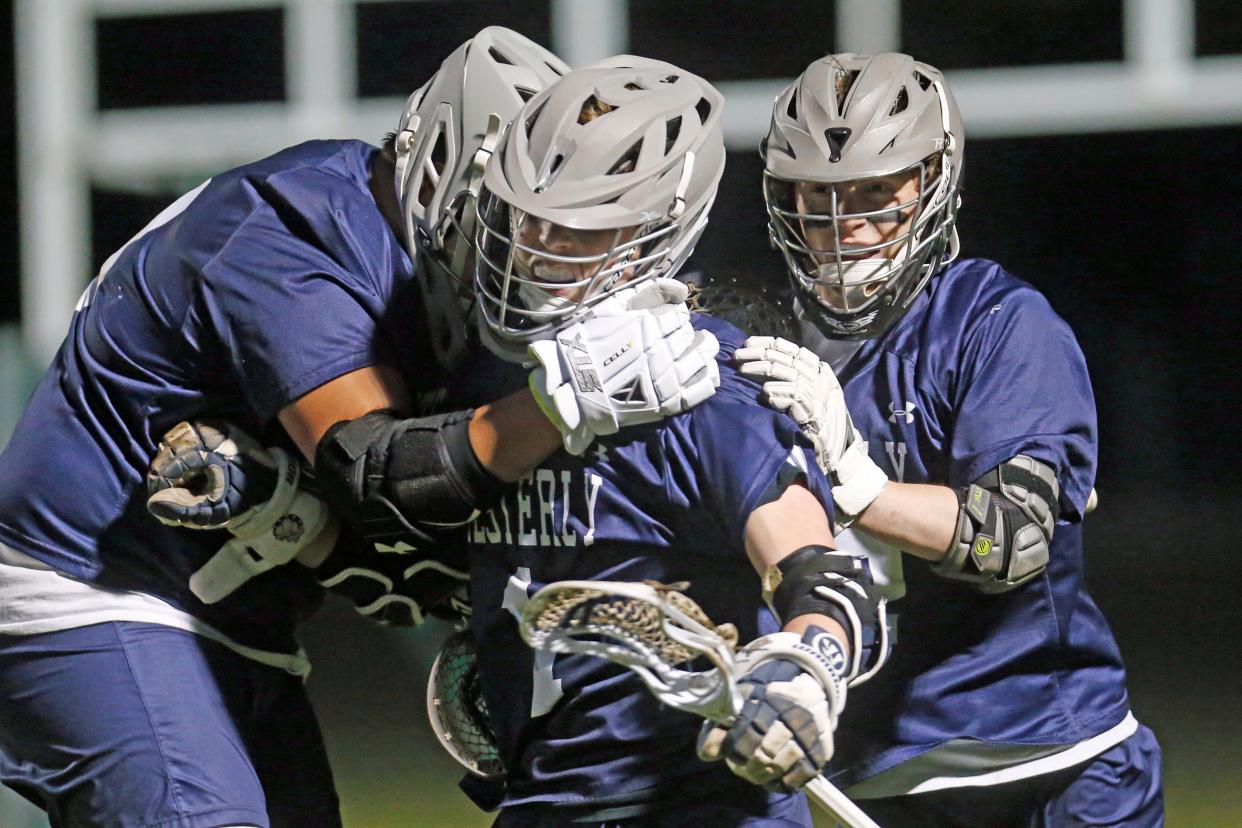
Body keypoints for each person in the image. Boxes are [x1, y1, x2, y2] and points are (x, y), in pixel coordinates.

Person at [0, 28, 721, 827]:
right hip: (89, 588)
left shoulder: (450, 284)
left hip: (236, 623)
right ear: (451, 167)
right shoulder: (294, 229)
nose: (531, 248)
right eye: (515, 213)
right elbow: (380, 474)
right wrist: (563, 400)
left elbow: (450, 527)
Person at [161, 56, 889, 827]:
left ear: (656, 232)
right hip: (540, 805)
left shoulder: (701, 388)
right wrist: (276, 508)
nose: (539, 247)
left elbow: (826, 578)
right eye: (526, 215)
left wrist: (803, 675)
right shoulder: (491, 385)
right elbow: (421, 568)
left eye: (579, 228)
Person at [735, 52, 1163, 825]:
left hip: (1042, 761)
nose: (846, 222)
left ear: (934, 182)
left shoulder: (995, 324)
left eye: (874, 192)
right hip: (869, 773)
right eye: (820, 195)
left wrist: (859, 484)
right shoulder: (747, 336)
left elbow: (1014, 538)